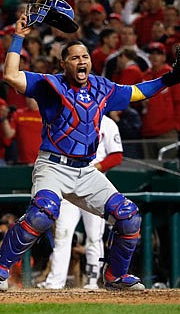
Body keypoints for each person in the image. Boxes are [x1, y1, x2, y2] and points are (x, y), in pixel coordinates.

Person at [0, 0, 180, 291]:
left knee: (128, 216)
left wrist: (172, 77)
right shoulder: (51, 85)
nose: (81, 61)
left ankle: (115, 276)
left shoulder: (102, 87)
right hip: (53, 166)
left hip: (86, 171)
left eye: (85, 56)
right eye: (74, 58)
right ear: (63, 64)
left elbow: (139, 91)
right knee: (42, 213)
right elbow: (10, 75)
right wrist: (19, 36)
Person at [39, 115, 124, 290]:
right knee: (62, 234)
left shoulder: (107, 123)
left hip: (94, 187)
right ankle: (55, 282)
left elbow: (116, 156)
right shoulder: (71, 118)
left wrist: (94, 169)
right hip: (69, 184)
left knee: (94, 237)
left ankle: (92, 282)